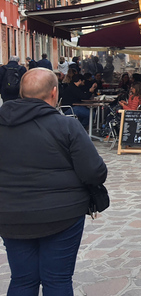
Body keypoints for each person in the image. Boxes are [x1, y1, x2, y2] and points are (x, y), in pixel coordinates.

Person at [0, 68, 108, 294]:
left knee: (22, 279)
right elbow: (94, 172)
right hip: (62, 215)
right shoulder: (66, 126)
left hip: (11, 214)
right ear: (54, 92)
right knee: (57, 280)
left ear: (21, 92)